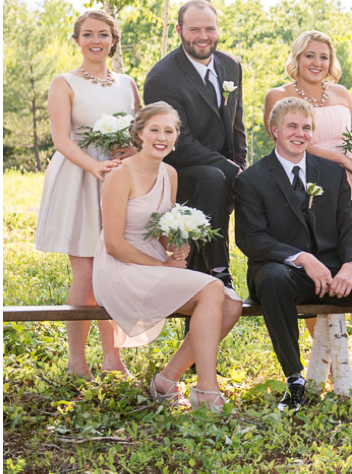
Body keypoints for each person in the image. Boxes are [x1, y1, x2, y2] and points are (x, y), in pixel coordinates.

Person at [235, 98, 352, 412]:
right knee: (272, 279)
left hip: (336, 271)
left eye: (306, 127)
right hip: (286, 272)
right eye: (292, 126)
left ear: (312, 133)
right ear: (274, 131)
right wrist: (302, 258)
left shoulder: (330, 172)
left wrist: (350, 266)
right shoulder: (251, 180)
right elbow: (251, 239)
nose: (299, 134)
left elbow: (351, 227)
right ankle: (294, 381)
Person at [92, 103, 243, 411]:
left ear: (176, 137)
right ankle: (206, 389)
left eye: (169, 131)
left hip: (153, 263)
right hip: (121, 269)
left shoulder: (170, 174)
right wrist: (162, 264)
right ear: (138, 134)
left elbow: (160, 226)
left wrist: (174, 244)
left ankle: (166, 379)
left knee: (232, 304)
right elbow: (113, 245)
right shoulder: (119, 176)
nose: (162, 137)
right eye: (154, 130)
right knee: (213, 289)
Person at [263, 30, 352, 375]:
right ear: (296, 59)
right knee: (319, 270)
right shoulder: (279, 95)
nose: (317, 63)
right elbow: (291, 141)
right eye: (310, 56)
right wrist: (341, 160)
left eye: (324, 57)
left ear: (332, 62)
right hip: (309, 186)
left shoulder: (342, 94)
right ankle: (327, 363)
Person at [35, 10, 141, 379]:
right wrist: (94, 167)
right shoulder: (63, 83)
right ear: (77, 40)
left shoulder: (128, 83)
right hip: (80, 178)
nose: (96, 41)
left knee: (115, 268)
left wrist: (131, 152)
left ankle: (112, 358)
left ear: (113, 40)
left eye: (103, 34)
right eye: (88, 34)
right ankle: (77, 360)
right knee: (86, 272)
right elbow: (61, 139)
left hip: (119, 180)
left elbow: (139, 134)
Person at [143, 0, 246, 289]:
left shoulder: (231, 65)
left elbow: (237, 125)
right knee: (212, 178)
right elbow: (178, 143)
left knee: (261, 182)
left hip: (221, 169)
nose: (203, 36)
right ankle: (218, 270)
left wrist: (242, 169)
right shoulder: (163, 78)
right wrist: (230, 170)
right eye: (194, 29)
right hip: (180, 170)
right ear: (179, 30)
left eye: (209, 29)